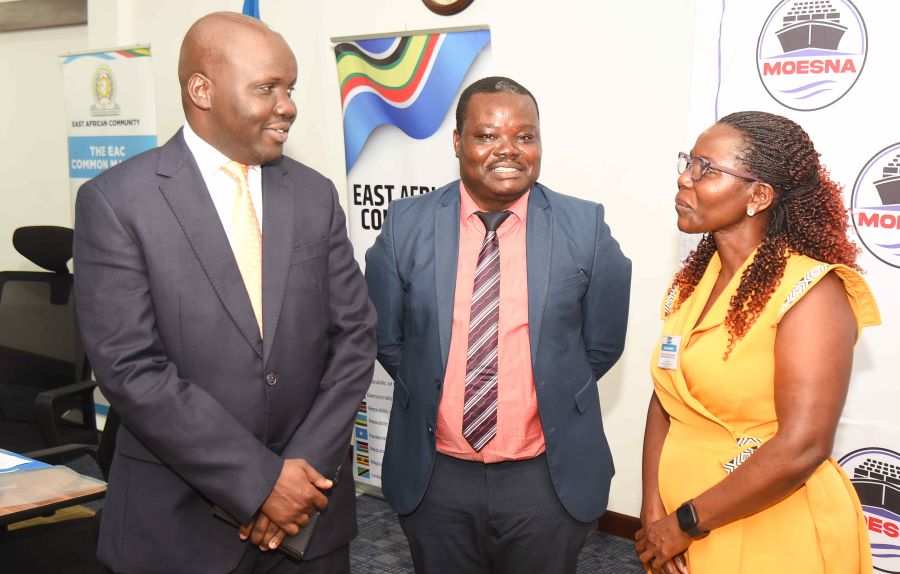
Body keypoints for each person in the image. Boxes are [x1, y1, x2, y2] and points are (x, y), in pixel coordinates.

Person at [73, 12, 376, 574]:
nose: (287, 105)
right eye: (267, 88)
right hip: (176, 526)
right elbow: (131, 368)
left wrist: (296, 477)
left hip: (310, 516)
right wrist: (260, 483)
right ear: (201, 90)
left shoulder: (314, 195)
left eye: (290, 89)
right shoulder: (117, 202)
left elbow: (355, 337)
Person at [364, 76, 632, 573]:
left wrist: (541, 388)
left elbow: (600, 345)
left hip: (544, 478)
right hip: (436, 474)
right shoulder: (406, 226)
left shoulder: (585, 226)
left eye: (525, 136)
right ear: (458, 142)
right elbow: (388, 339)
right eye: (487, 135)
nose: (508, 150)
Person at [636, 111, 881, 574]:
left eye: (705, 168)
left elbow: (801, 446)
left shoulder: (812, 292)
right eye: (689, 162)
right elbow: (666, 397)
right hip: (682, 525)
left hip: (773, 530)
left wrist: (683, 524)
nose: (684, 179)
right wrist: (653, 509)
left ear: (759, 196)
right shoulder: (692, 283)